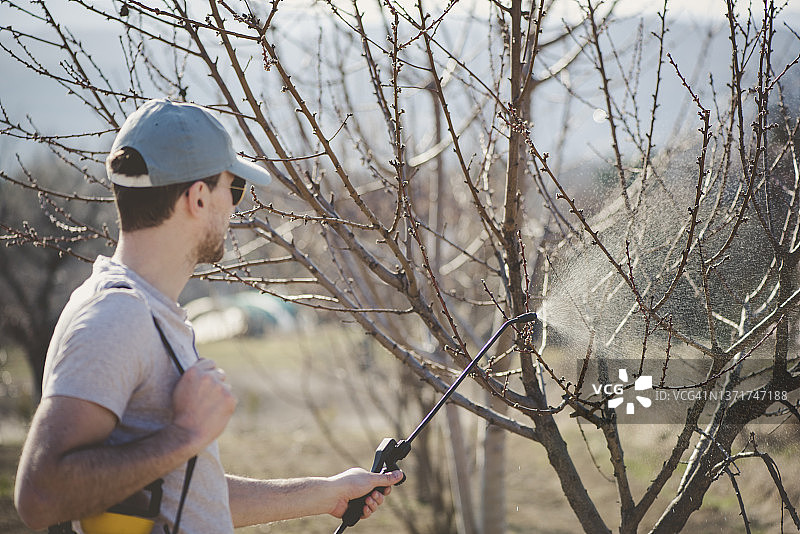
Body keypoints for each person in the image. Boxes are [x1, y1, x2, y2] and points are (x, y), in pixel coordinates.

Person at [14, 98, 402, 533]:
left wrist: (326, 493)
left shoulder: (149, 313)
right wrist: (185, 435)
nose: (234, 207)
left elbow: (189, 494)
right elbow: (40, 496)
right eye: (233, 189)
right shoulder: (116, 316)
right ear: (198, 197)